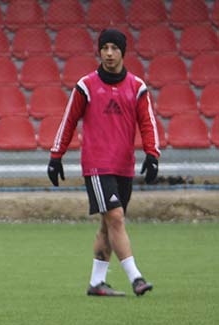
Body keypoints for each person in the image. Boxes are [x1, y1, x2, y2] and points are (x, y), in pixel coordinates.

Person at [46, 28, 159, 297]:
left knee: (108, 224)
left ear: (123, 52)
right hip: (97, 165)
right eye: (104, 48)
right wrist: (55, 156)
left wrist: (152, 154)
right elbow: (69, 120)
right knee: (116, 218)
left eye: (114, 48)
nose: (108, 53)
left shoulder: (137, 87)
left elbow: (148, 122)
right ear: (99, 51)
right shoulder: (86, 85)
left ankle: (97, 283)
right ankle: (136, 278)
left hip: (124, 165)